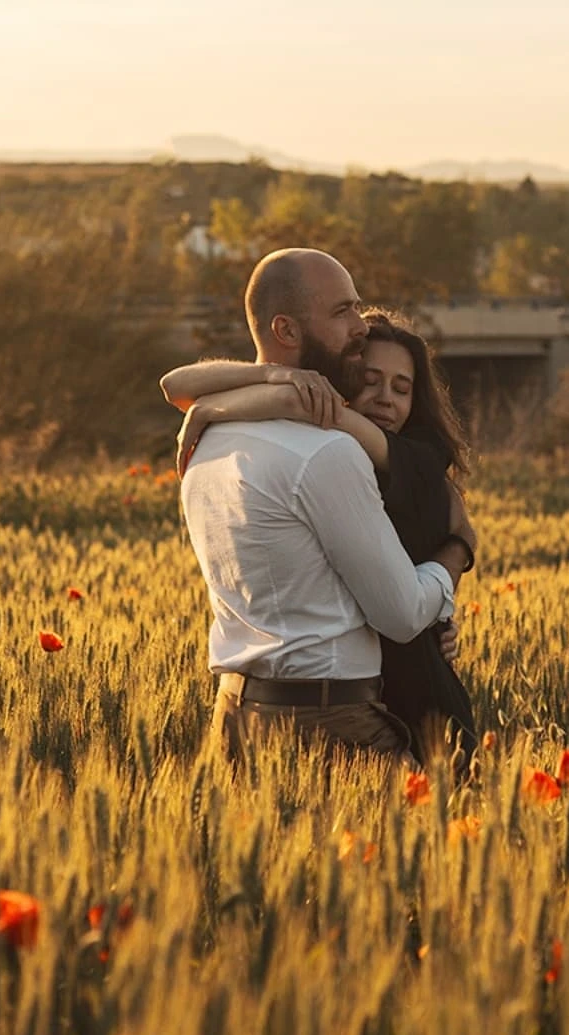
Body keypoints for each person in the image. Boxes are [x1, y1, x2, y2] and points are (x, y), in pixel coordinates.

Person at [168, 248, 474, 765]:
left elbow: (177, 385)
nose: (360, 325)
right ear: (287, 330)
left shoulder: (211, 436)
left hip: (236, 718)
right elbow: (401, 615)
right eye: (342, 312)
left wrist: (254, 387)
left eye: (356, 308)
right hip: (328, 724)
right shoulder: (327, 453)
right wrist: (457, 550)